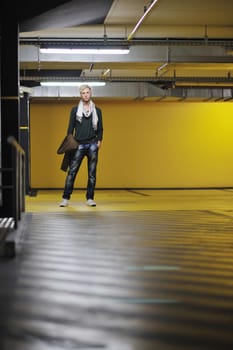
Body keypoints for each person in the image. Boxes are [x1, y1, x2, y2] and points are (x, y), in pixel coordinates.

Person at [59, 84, 103, 207]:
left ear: (91, 94)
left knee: (92, 174)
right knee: (72, 171)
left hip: (93, 144)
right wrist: (70, 141)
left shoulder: (97, 110)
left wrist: (99, 141)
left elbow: (100, 128)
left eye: (87, 92)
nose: (86, 95)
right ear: (80, 94)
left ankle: (90, 198)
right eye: (83, 93)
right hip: (78, 144)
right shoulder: (74, 110)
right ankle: (65, 199)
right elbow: (70, 128)